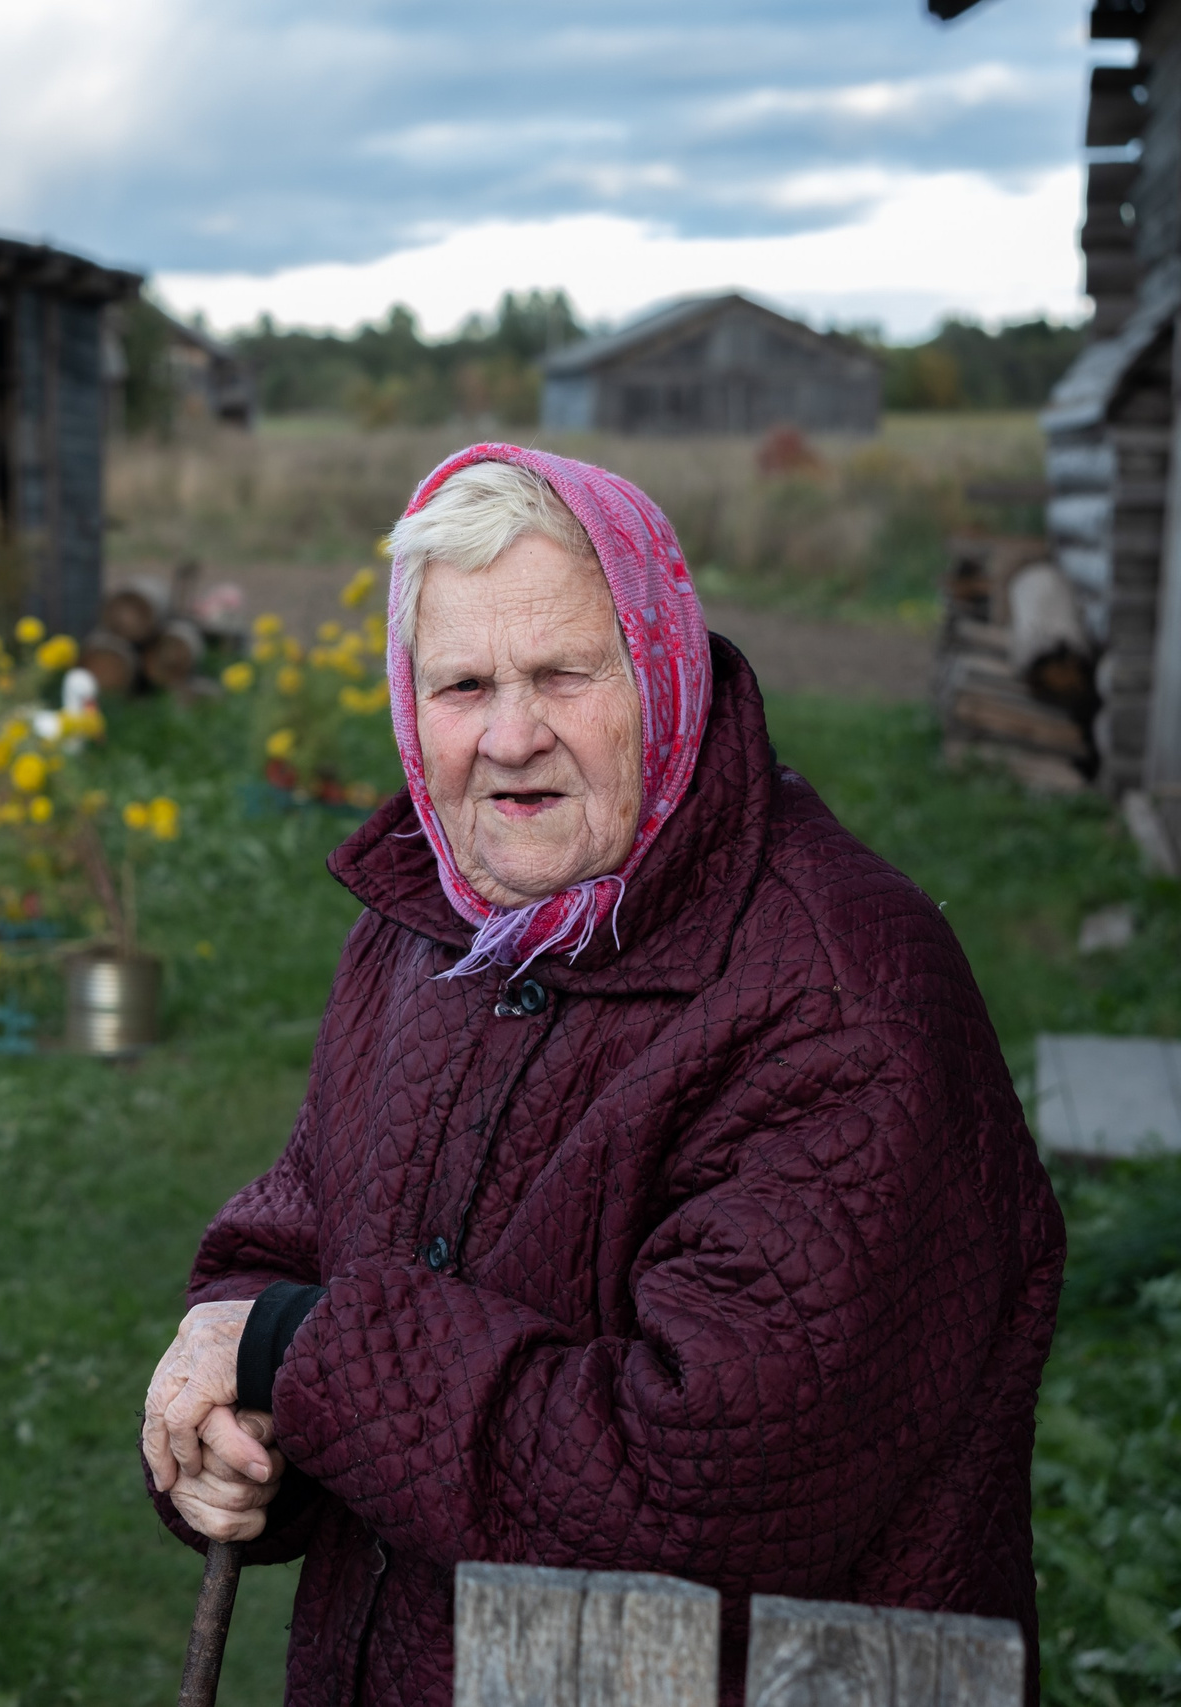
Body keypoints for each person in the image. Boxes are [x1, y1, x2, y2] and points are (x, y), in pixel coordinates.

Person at [140, 445, 1063, 1707]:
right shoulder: (433, 922)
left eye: (563, 674)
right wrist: (233, 1414)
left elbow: (698, 1485)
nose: (511, 737)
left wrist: (300, 1354)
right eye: (462, 684)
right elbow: (302, 1233)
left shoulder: (841, 999)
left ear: (663, 668)